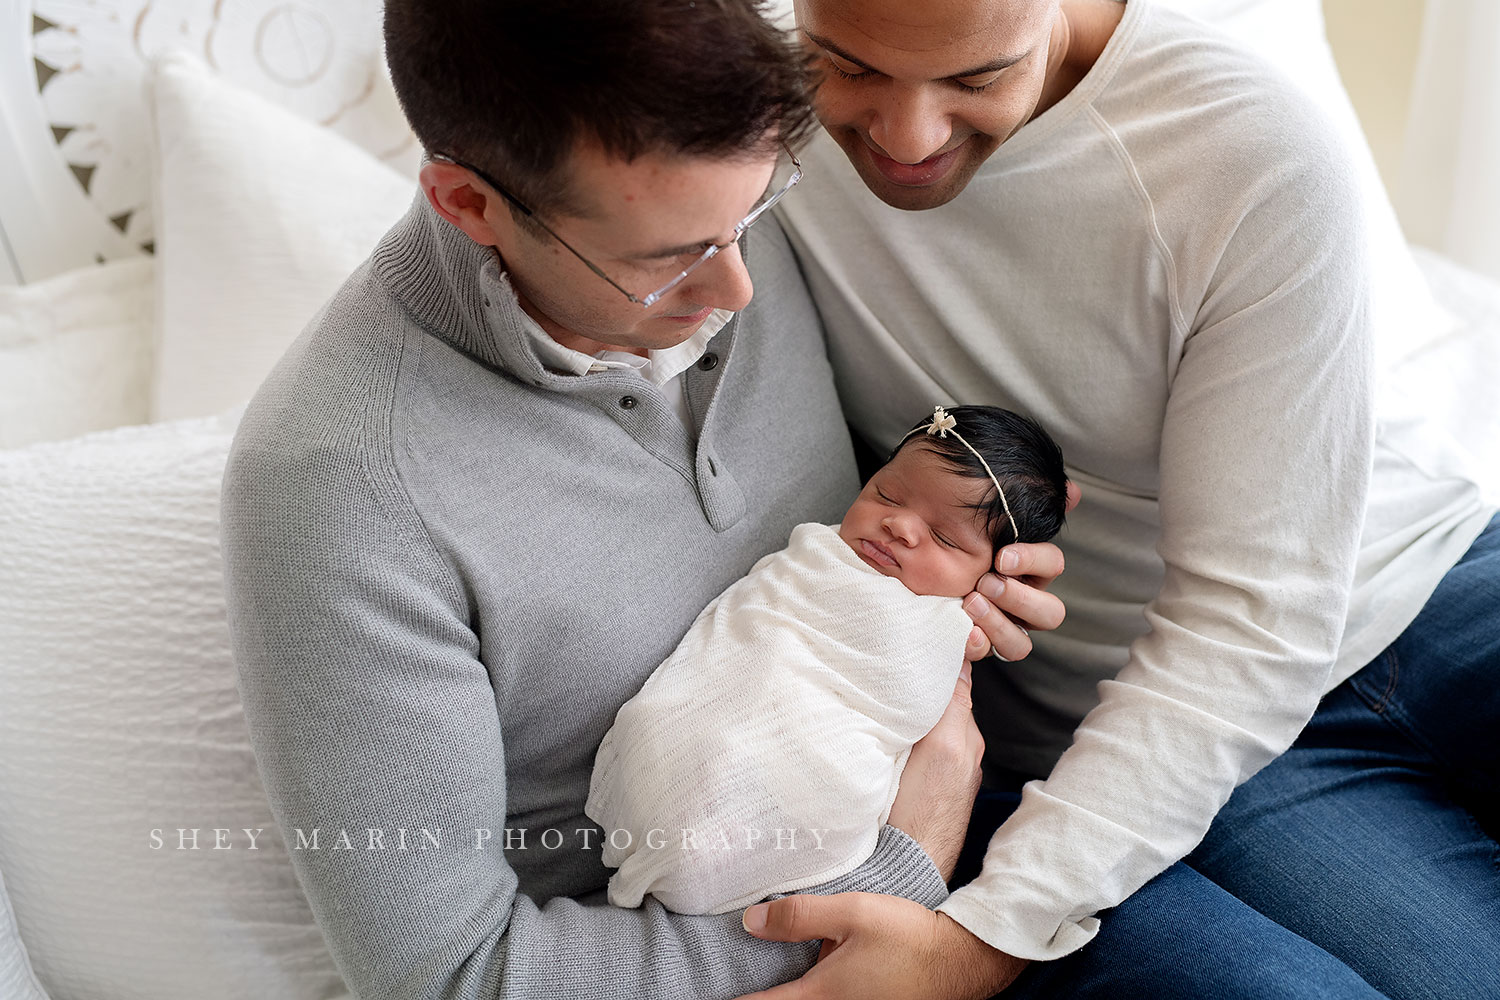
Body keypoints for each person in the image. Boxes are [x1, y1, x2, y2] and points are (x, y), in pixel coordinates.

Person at [217, 2, 1070, 998]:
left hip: (1007, 830)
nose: (740, 286)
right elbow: (446, 974)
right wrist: (894, 876)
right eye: (668, 258)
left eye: (750, 218)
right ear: (470, 204)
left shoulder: (720, 186)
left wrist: (965, 555)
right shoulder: (343, 489)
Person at [743, 0, 1500, 997]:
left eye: (976, 79)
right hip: (1193, 717)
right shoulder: (740, 90)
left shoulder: (1246, 144)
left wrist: (978, 940)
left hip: (1428, 569)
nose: (906, 138)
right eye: (849, 66)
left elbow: (1257, 609)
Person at [588, 405, 1068, 915]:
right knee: (689, 736)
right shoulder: (817, 552)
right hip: (728, 710)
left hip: (818, 758)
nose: (899, 524)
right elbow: (755, 617)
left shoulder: (951, 623)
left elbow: (903, 702)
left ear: (996, 573)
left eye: (946, 537)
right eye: (886, 493)